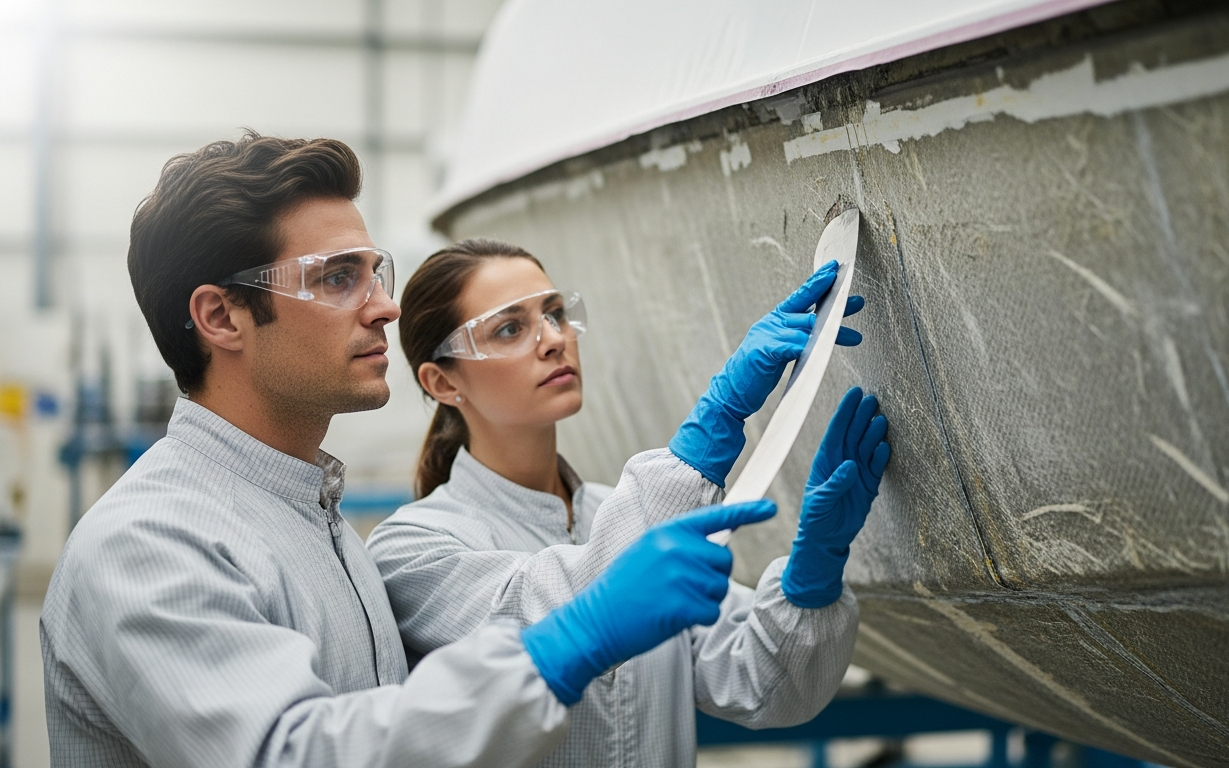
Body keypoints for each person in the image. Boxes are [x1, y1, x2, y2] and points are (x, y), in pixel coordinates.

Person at [39, 133, 783, 768]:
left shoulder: (322, 530)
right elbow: (297, 755)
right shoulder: (147, 545)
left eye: (373, 271)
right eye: (337, 278)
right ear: (220, 316)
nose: (386, 306)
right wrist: (562, 649)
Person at [366, 238, 892, 766]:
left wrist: (814, 572)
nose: (553, 340)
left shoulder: (614, 512)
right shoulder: (413, 548)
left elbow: (762, 686)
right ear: (442, 381)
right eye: (510, 328)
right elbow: (566, 608)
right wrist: (714, 424)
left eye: (554, 313)